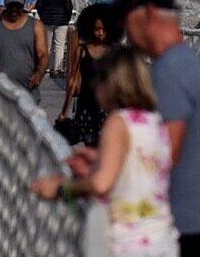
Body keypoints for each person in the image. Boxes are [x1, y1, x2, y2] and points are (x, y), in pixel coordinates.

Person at [105, 0, 200, 257]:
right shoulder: (189, 62)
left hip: (174, 226)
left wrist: (100, 173)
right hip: (196, 218)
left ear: (148, 13)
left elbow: (164, 152)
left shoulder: (169, 71)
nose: (124, 30)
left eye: (125, 19)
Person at [33, 48, 178, 257]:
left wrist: (61, 189)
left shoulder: (117, 122)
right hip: (160, 240)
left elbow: (101, 184)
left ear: (111, 84)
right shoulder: (155, 122)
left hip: (125, 243)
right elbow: (138, 165)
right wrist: (99, 158)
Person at [56, 4, 116, 147]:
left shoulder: (113, 51)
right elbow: (73, 82)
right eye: (97, 29)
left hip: (107, 106)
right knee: (90, 146)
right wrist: (65, 110)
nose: (100, 33)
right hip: (86, 105)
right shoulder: (82, 50)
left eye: (103, 29)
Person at [0, 0, 49, 92]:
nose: (14, 9)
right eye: (11, 6)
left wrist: (39, 73)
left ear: (23, 5)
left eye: (18, 6)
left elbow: (43, 54)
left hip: (27, 89)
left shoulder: (36, 26)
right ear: (5, 4)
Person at [36, 0, 75, 77]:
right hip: (61, 21)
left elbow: (39, 5)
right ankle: (57, 69)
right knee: (59, 46)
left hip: (47, 20)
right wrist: (66, 19)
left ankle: (45, 68)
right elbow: (69, 7)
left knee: (47, 46)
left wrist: (43, 17)